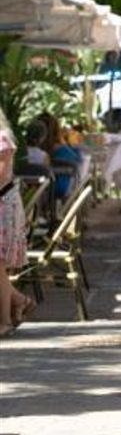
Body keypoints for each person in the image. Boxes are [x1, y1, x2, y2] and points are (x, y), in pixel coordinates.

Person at [0, 111, 34, 337]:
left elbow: (2, 175)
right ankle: (19, 300)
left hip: (3, 206)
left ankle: (4, 321)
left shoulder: (2, 139)